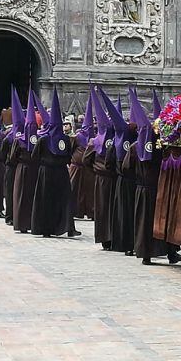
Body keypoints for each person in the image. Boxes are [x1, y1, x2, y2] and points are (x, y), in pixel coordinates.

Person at [124, 88, 181, 266]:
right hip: (160, 188)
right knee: (164, 220)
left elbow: (126, 167)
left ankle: (146, 254)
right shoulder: (161, 147)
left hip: (142, 189)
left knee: (144, 222)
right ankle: (170, 253)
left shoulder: (135, 147)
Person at [31, 88, 80, 237]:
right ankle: (67, 227)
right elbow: (68, 156)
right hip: (61, 173)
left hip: (46, 172)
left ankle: (46, 229)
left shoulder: (43, 139)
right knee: (64, 200)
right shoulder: (65, 139)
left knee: (46, 200)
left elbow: (35, 156)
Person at [102, 88, 137, 254]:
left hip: (120, 182)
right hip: (135, 183)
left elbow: (108, 165)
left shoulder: (113, 145)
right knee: (133, 215)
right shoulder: (136, 144)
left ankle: (122, 243)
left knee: (122, 214)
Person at [83, 87, 116, 250]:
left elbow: (86, 160)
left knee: (109, 209)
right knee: (104, 209)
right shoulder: (95, 142)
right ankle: (106, 238)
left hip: (108, 179)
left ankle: (110, 237)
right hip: (104, 179)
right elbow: (86, 160)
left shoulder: (96, 141)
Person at [11, 88, 40, 233]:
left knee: (29, 197)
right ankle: (22, 223)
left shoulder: (37, 140)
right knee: (23, 197)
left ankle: (30, 222)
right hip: (25, 170)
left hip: (27, 169)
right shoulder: (20, 140)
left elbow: (12, 157)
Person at [70, 92, 95, 220]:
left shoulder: (94, 139)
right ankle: (75, 211)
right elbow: (71, 149)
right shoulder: (77, 137)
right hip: (76, 168)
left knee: (88, 191)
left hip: (88, 169)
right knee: (74, 190)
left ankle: (90, 211)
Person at [2, 87, 24, 225]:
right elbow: (3, 151)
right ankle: (10, 216)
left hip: (21, 168)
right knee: (10, 193)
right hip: (11, 167)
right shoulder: (8, 137)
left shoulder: (27, 135)